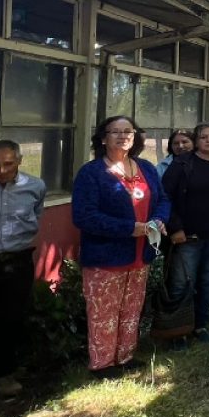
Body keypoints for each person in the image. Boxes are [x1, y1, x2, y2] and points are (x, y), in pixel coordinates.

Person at [72, 116, 169, 377]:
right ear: (103, 138)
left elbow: (163, 200)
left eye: (128, 131)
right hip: (105, 256)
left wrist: (159, 220)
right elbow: (84, 216)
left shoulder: (146, 168)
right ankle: (102, 364)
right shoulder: (91, 173)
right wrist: (129, 228)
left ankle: (125, 357)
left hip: (140, 254)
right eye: (115, 131)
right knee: (103, 312)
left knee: (131, 308)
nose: (122, 136)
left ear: (135, 136)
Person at [0, 140, 47, 403]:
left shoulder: (35, 186)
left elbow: (36, 216)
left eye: (8, 164)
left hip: (17, 260)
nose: (1, 170)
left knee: (10, 319)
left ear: (19, 161)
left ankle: (2, 374)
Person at [162, 121, 209, 345]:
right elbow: (165, 197)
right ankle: (177, 331)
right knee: (182, 282)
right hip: (186, 237)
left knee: (208, 281)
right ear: (197, 140)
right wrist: (175, 228)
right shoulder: (182, 164)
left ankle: (200, 324)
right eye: (204, 137)